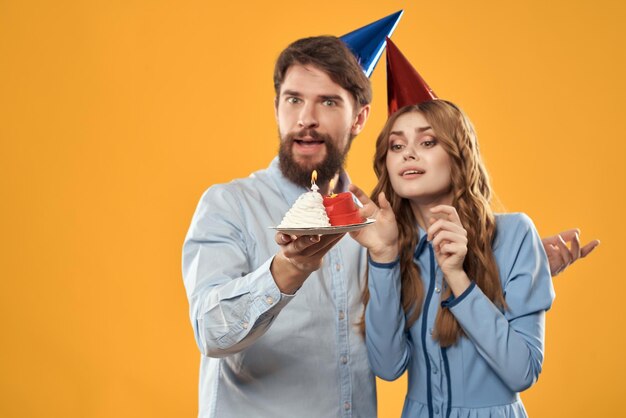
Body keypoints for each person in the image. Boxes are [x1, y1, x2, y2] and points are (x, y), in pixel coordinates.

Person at [182, 35, 598, 418]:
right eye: (293, 100)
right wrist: (289, 269)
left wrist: (509, 264)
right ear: (276, 107)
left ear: (359, 118)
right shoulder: (228, 205)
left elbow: (433, 312)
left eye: (327, 102)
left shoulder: (375, 222)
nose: (306, 118)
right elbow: (212, 333)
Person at [350, 98, 558, 416]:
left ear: (458, 154)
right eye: (396, 145)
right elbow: (388, 367)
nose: (408, 153)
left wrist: (458, 277)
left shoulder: (515, 234)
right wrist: (383, 256)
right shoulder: (388, 243)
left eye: (427, 141)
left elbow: (523, 371)